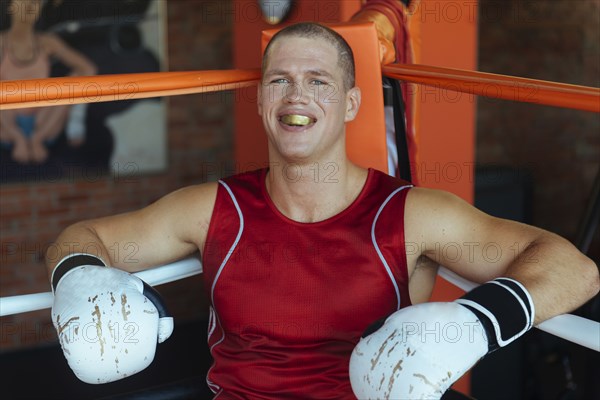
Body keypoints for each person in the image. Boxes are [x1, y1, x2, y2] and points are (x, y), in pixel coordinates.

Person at [46, 22, 599, 399]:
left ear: (351, 103)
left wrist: (481, 321)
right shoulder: (213, 208)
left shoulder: (411, 215)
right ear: (262, 97)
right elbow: (83, 234)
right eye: (280, 80)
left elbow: (574, 268)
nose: (296, 97)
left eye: (319, 82)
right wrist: (81, 280)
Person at [0, 0, 96, 164]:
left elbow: (87, 69)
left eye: (36, 2)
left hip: (45, 122)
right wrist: (17, 138)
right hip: (7, 125)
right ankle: (19, 139)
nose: (30, 5)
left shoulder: (47, 42)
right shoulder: (2, 43)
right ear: (10, 6)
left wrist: (77, 118)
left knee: (69, 84)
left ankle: (37, 138)